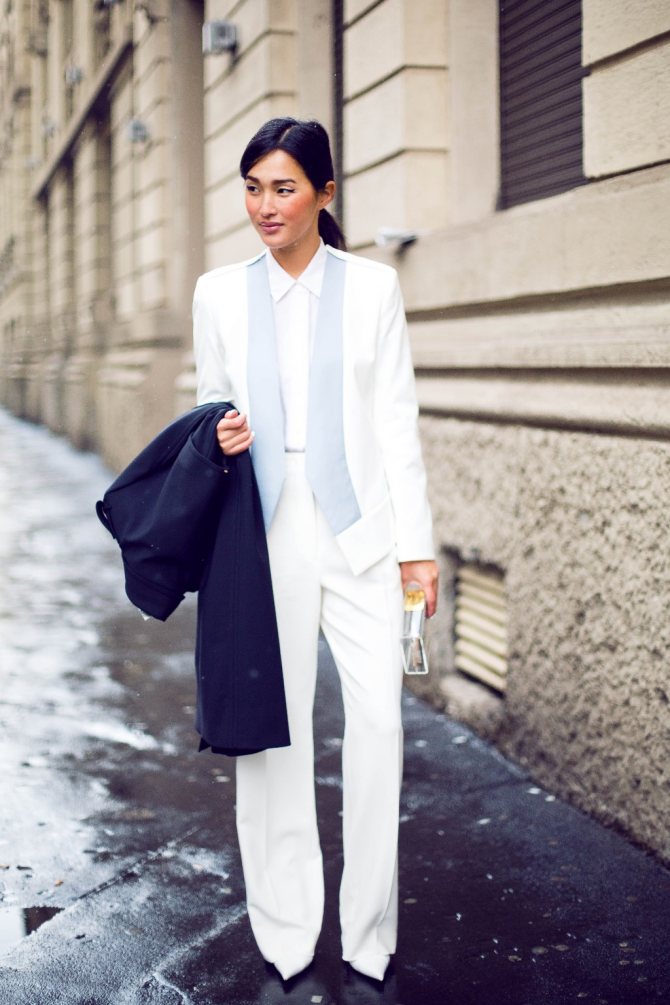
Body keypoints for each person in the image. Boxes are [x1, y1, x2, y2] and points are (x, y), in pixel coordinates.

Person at [192, 117, 438, 983]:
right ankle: (286, 923)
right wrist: (218, 431)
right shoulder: (218, 294)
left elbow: (396, 421)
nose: (266, 205)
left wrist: (417, 549)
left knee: (377, 723)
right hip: (263, 531)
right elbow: (207, 406)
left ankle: (369, 928)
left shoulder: (373, 289)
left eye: (284, 187)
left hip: (363, 530)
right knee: (275, 735)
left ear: (325, 193)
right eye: (254, 187)